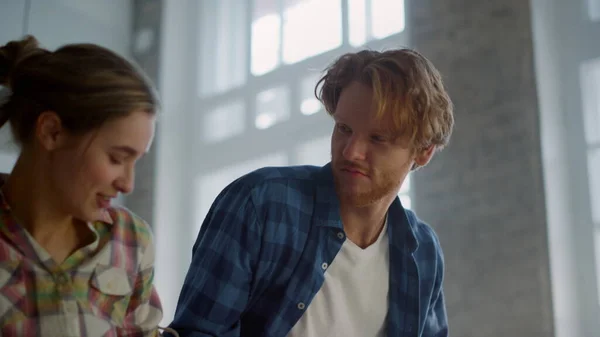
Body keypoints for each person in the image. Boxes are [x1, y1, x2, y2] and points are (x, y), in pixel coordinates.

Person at [167, 48, 454, 337]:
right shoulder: (259, 205)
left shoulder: (424, 250)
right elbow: (197, 331)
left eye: (378, 138)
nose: (351, 151)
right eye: (344, 128)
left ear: (423, 152)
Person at [0, 35, 174, 336]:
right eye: (117, 158)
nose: (128, 183)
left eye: (137, 162)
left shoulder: (131, 241)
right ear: (52, 132)